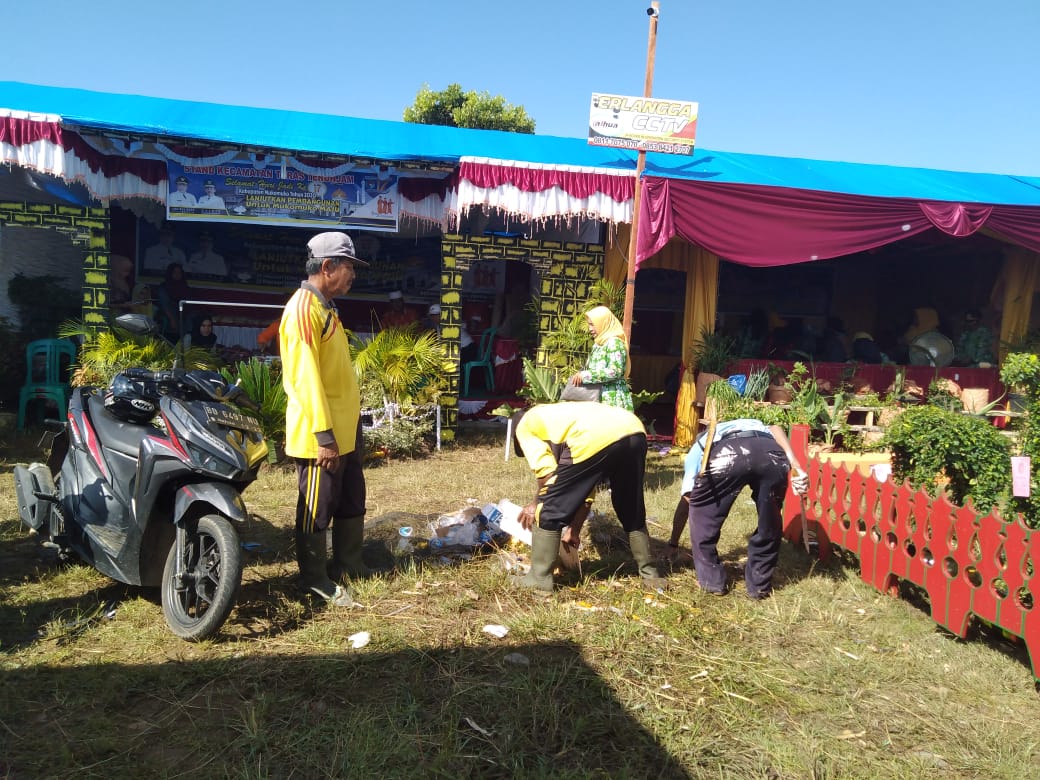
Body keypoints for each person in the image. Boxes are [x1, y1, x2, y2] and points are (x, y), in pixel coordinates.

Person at [279, 231, 371, 607]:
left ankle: (349, 563)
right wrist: (324, 436)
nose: (353, 275)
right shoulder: (303, 309)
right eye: (349, 267)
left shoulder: (326, 306)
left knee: (351, 499)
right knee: (316, 507)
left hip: (344, 430)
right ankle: (314, 578)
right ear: (328, 266)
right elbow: (305, 379)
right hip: (322, 435)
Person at [510, 402, 666, 594]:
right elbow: (585, 485)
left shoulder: (524, 426)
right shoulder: (558, 415)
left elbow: (547, 476)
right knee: (630, 505)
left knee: (548, 510)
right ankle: (651, 574)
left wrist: (535, 504)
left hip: (592, 437)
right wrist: (574, 530)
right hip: (634, 430)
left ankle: (539, 580)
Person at [677, 418, 808, 599]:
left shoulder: (701, 442)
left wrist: (677, 538)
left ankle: (712, 582)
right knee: (770, 520)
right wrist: (795, 464)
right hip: (771, 453)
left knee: (701, 517)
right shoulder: (755, 422)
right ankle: (759, 587)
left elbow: (688, 496)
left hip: (728, 454)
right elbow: (776, 428)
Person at [568, 305, 633, 411]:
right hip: (596, 397)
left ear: (603, 323)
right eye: (589, 325)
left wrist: (586, 375)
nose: (590, 329)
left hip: (612, 400)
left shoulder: (614, 343)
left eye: (593, 325)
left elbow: (615, 371)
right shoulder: (598, 344)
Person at [155, 262, 192, 341]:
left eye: (179, 272)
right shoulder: (164, 287)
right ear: (170, 273)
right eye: (174, 272)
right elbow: (164, 304)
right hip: (169, 319)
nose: (177, 274)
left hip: (183, 319)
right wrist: (172, 319)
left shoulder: (185, 287)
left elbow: (188, 304)